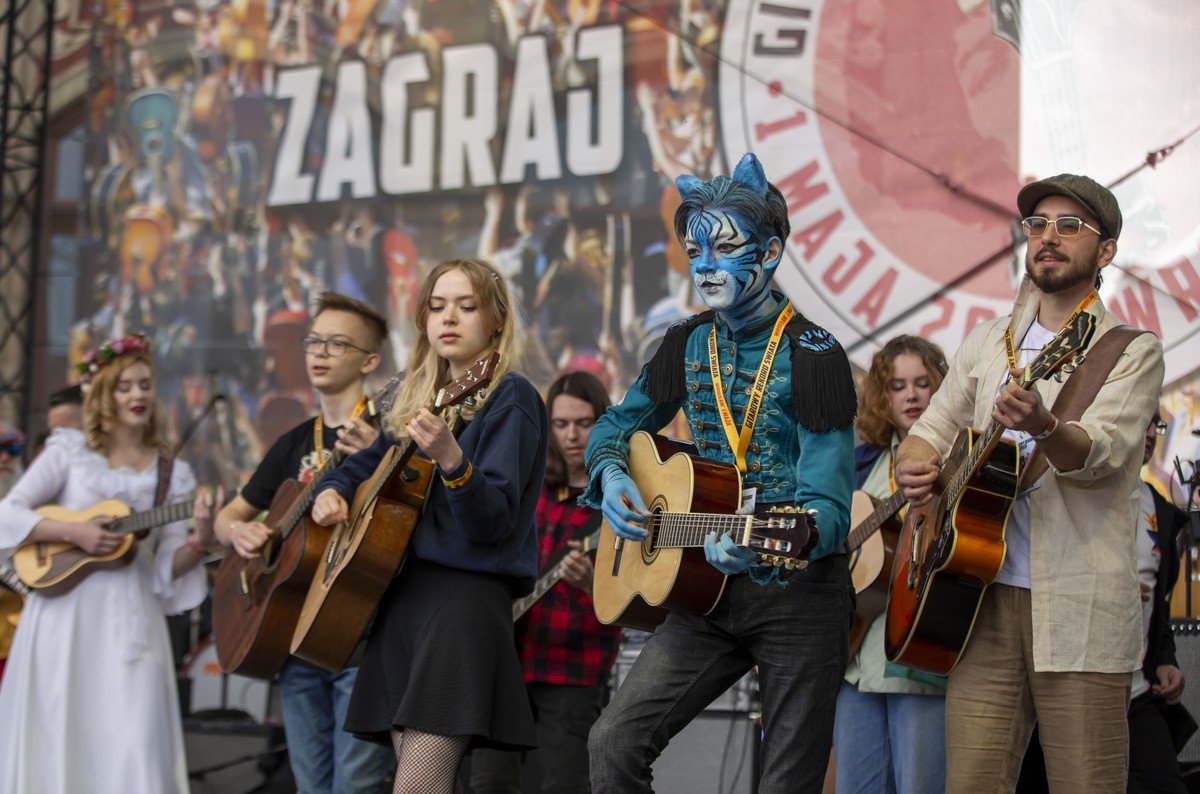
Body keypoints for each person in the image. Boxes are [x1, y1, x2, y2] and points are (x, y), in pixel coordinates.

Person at [583, 152, 858, 792]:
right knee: (612, 742)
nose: (705, 265)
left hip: (799, 595)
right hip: (704, 586)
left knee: (786, 784)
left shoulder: (815, 354)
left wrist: (766, 541)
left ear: (770, 252)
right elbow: (615, 426)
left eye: (726, 247)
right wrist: (613, 475)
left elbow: (830, 512)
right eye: (694, 250)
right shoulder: (686, 341)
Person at [895, 173, 1166, 790]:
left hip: (1078, 607)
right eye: (1037, 224)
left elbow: (1100, 455)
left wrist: (1045, 426)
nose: (1048, 237)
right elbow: (930, 428)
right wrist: (915, 464)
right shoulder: (988, 340)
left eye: (1070, 226)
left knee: (1086, 782)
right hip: (978, 596)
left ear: (1106, 250)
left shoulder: (1130, 350)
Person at [310, 257, 548, 792]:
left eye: (467, 306)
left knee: (418, 787)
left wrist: (452, 459)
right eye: (437, 306)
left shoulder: (511, 397)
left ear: (496, 320)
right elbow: (363, 465)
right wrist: (332, 491)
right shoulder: (414, 401)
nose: (449, 318)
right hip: (403, 600)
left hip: (462, 602)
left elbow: (493, 522)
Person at [0, 333, 217, 793]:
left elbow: (166, 567)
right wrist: (74, 532)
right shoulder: (70, 452)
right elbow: (8, 512)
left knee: (136, 734)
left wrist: (201, 539)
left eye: (145, 385)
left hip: (132, 615)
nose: (138, 395)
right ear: (104, 395)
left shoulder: (171, 473)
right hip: (66, 612)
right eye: (125, 386)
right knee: (64, 725)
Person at [213, 292, 396, 793]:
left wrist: (375, 463)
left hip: (361, 631)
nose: (319, 353)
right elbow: (230, 516)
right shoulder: (293, 441)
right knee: (311, 785)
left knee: (355, 786)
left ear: (370, 361)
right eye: (313, 341)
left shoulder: (387, 432)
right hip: (293, 634)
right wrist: (240, 532)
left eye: (337, 344)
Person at [1017, 409, 1195, 794]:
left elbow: (1158, 605)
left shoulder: (1161, 510)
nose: (1148, 432)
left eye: (1155, 423)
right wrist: (1102, 587)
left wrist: (1165, 659)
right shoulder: (1057, 493)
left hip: (1136, 696)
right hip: (1063, 693)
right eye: (1140, 418)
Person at [470, 370, 620, 794]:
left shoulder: (619, 501)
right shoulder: (526, 489)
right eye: (560, 424)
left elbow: (637, 597)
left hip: (574, 669)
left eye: (584, 423)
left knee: (564, 785)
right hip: (506, 663)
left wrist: (592, 585)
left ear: (602, 423)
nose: (571, 435)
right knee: (488, 783)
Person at [834, 335, 949, 794]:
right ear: (882, 397)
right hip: (854, 659)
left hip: (917, 659)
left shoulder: (955, 459)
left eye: (923, 383)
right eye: (898, 386)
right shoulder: (862, 464)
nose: (911, 395)